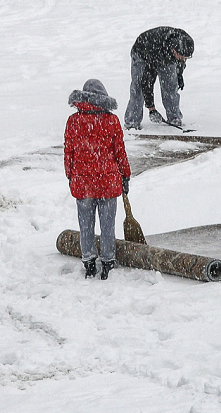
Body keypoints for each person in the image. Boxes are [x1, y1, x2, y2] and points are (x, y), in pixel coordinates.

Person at [64, 79, 132, 280]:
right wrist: (125, 175)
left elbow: (69, 152)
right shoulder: (111, 120)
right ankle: (108, 261)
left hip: (83, 183)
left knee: (85, 224)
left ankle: (89, 262)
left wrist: (70, 175)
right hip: (108, 182)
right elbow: (120, 152)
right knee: (108, 224)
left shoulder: (73, 121)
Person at [124, 27, 194, 130]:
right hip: (142, 53)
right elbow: (147, 81)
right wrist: (151, 108)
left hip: (165, 55)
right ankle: (132, 123)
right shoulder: (155, 49)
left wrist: (179, 75)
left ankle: (174, 118)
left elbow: (180, 63)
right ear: (174, 49)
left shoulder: (185, 43)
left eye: (186, 58)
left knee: (170, 86)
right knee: (138, 88)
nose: (183, 59)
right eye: (181, 56)